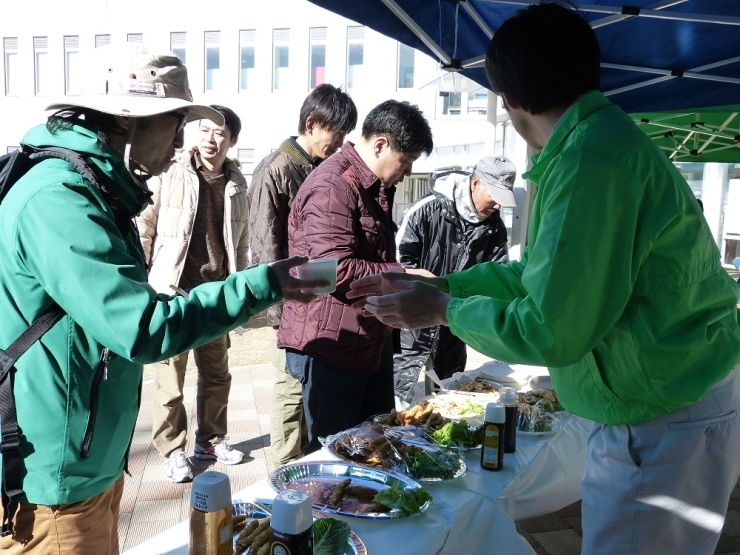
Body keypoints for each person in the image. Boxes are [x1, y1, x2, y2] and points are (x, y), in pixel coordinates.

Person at [348, 4, 740, 555]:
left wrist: (442, 311)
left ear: (508, 97)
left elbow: (552, 329)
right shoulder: (588, 147)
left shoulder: (588, 163)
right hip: (665, 399)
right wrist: (445, 288)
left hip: (663, 413)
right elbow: (536, 274)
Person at [0, 43, 323, 554]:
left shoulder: (96, 189)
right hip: (56, 482)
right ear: (127, 122)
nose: (180, 139)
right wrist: (264, 284)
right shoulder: (58, 200)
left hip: (87, 464)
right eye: (173, 122)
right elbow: (143, 328)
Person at [278, 100, 434, 453]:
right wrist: (405, 275)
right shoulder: (333, 185)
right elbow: (327, 272)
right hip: (332, 346)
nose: (407, 173)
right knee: (335, 456)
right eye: (406, 161)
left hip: (365, 339)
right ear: (380, 144)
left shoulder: (371, 185)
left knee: (375, 447)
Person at [136, 104, 249, 482]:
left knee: (218, 375)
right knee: (170, 381)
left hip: (217, 293)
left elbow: (242, 240)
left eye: (220, 133)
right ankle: (172, 449)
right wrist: (142, 277)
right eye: (205, 130)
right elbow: (146, 225)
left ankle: (211, 440)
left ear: (232, 141)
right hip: (174, 290)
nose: (211, 139)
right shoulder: (171, 171)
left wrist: (240, 288)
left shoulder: (237, 182)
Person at [248, 84, 358, 467]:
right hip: (291, 302)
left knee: (310, 385)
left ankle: (309, 463)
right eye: (337, 133)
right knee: (289, 388)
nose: (341, 142)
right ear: (311, 124)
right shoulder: (275, 169)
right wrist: (279, 309)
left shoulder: (322, 169)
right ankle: (282, 469)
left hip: (318, 299)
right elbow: (264, 243)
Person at [393, 156, 515, 406]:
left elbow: (499, 277)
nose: (498, 206)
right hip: (411, 326)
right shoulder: (426, 209)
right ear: (476, 183)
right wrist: (428, 280)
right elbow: (395, 264)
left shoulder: (495, 228)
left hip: (454, 325)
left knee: (448, 405)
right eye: (495, 196)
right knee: (398, 405)